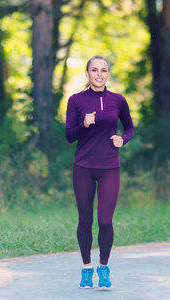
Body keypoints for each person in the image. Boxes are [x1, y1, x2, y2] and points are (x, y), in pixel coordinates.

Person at [65, 55, 134, 289]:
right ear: (87, 74)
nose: (99, 74)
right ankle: (86, 269)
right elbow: (68, 136)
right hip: (83, 167)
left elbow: (130, 127)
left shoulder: (118, 100)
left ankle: (104, 268)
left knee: (105, 221)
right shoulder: (76, 101)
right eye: (94, 70)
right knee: (85, 220)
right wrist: (83, 125)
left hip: (110, 167)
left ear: (108, 74)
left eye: (103, 70)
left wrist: (122, 139)